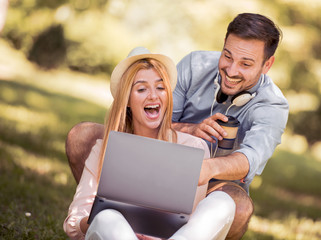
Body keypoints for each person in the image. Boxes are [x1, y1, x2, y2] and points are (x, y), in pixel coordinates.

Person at [66, 13, 289, 239]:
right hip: (156, 149)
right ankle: (108, 205)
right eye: (227, 56)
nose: (231, 70)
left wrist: (204, 168)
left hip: (213, 178)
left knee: (236, 205)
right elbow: (153, 118)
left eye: (246, 64)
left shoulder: (273, 106)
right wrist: (191, 130)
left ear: (267, 64)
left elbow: (249, 158)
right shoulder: (196, 65)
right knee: (83, 136)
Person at [63, 47, 236, 240]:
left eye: (160, 88)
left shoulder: (193, 148)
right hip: (115, 234)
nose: (153, 96)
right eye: (142, 89)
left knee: (222, 202)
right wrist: (107, 217)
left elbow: (189, 224)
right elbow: (72, 225)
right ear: (127, 100)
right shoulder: (103, 149)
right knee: (107, 218)